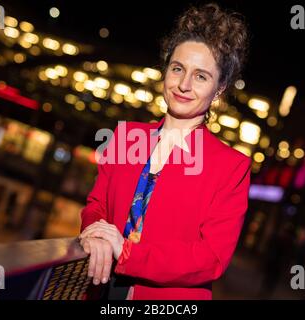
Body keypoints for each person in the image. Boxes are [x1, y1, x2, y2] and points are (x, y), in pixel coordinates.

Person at [79, 3, 251, 300]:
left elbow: (211, 258)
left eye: (201, 76)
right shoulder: (126, 136)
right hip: (101, 292)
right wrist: (95, 232)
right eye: (178, 69)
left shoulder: (231, 166)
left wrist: (128, 252)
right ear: (166, 70)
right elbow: (96, 204)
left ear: (219, 88)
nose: (184, 85)